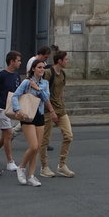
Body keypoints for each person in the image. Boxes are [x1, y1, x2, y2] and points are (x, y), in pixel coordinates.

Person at [12, 58, 56, 187]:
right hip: (27, 115)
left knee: (37, 148)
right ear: (33, 69)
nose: (42, 70)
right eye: (39, 67)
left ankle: (31, 175)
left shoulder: (45, 83)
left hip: (39, 115)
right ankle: (21, 167)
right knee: (34, 146)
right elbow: (15, 96)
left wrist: (37, 88)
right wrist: (17, 109)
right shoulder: (26, 82)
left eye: (43, 67)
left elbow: (46, 98)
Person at [38, 50, 75, 178]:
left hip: (61, 109)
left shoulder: (63, 73)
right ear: (59, 60)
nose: (67, 61)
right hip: (48, 110)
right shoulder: (48, 73)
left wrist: (61, 104)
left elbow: (61, 90)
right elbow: (43, 93)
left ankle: (62, 165)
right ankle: (44, 167)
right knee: (45, 140)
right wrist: (51, 110)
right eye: (66, 59)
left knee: (68, 136)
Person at [0, 51, 23, 172]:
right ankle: (10, 161)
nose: (20, 63)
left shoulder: (16, 76)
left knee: (6, 135)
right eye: (18, 60)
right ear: (12, 61)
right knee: (9, 133)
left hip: (11, 108)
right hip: (2, 108)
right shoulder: (1, 75)